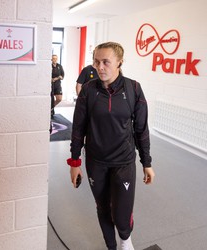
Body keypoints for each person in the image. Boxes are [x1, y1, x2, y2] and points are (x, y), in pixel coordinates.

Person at [67, 42, 155, 250]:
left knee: (121, 214)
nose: (100, 67)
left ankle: (125, 239)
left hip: (123, 161)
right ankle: (111, 246)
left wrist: (146, 162)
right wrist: (74, 161)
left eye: (106, 62)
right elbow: (78, 128)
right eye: (96, 62)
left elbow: (141, 129)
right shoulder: (88, 91)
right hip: (96, 161)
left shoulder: (133, 88)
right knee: (103, 207)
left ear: (119, 63)